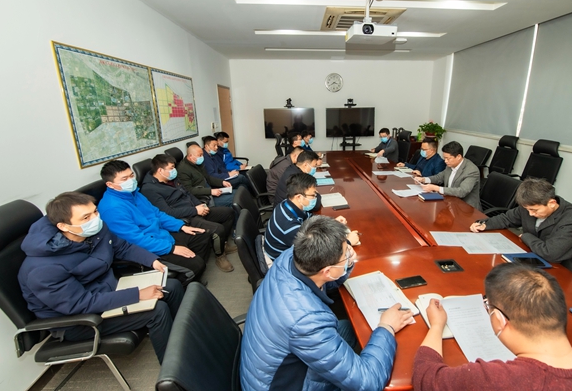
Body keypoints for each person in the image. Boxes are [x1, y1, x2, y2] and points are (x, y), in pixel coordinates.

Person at [241, 216, 414, 390]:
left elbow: (322, 280)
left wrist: (346, 264)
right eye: (346, 254)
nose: (349, 254)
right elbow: (368, 382)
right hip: (282, 385)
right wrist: (386, 327)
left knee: (349, 328)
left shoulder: (292, 256)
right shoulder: (307, 323)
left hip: (268, 367)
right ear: (327, 271)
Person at [413, 263, 572, 390]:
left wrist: (437, 326)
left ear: (499, 319)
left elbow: (425, 375)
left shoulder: (493, 379)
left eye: (487, 307)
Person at [18, 192, 184, 364]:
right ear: (64, 226)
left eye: (95, 211)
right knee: (157, 312)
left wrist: (152, 260)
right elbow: (79, 304)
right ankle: (174, 367)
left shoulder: (95, 231)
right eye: (86, 217)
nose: (95, 219)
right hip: (78, 320)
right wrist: (138, 294)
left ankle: (184, 339)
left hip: (105, 291)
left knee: (171, 286)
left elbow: (122, 247)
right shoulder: (42, 269)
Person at [98, 160, 211, 281]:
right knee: (196, 264)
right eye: (124, 179)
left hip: (159, 234)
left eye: (131, 175)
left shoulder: (134, 194)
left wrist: (180, 226)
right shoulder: (112, 208)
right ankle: (185, 283)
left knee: (201, 236)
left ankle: (194, 273)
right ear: (110, 184)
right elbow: (136, 240)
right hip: (146, 248)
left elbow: (157, 214)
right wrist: (171, 248)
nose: (131, 180)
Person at [470, 178, 572, 276]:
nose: (530, 214)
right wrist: (484, 224)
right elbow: (507, 218)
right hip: (531, 261)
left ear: (552, 203)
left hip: (560, 273)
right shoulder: (530, 204)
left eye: (534, 210)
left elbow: (551, 254)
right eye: (527, 210)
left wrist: (526, 236)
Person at [141, 154, 236, 272]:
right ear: (160, 170)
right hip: (184, 217)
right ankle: (220, 255)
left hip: (194, 209)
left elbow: (188, 193)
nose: (174, 170)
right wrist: (195, 210)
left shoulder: (171, 179)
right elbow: (168, 212)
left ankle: (222, 243)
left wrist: (200, 205)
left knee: (228, 213)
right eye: (171, 168)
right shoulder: (149, 189)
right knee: (218, 229)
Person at [264, 173, 359, 260]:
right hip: (283, 260)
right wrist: (348, 242)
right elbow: (317, 251)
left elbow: (310, 218)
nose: (315, 198)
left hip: (292, 247)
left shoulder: (287, 204)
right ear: (299, 197)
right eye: (313, 195)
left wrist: (332, 222)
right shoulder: (289, 226)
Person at [415, 141, 481, 210]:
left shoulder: (471, 170)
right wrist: (424, 179)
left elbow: (462, 191)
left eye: (448, 158)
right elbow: (439, 177)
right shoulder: (450, 165)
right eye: (444, 158)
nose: (445, 161)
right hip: (450, 201)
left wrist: (437, 188)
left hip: (466, 208)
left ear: (458, 156)